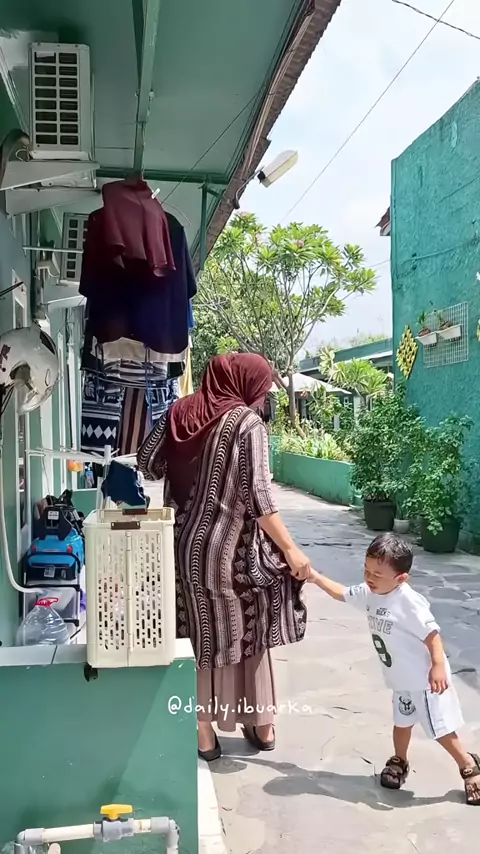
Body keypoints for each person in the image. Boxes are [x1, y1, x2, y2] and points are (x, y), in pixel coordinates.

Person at [137, 353, 311, 761]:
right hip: (233, 552)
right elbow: (260, 498)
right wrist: (290, 549)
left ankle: (203, 733)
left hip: (182, 548)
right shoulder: (247, 423)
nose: (263, 397)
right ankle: (261, 723)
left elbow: (147, 463)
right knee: (253, 623)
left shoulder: (179, 411)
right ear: (244, 383)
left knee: (196, 632)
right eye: (262, 388)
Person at [307, 532, 480, 805]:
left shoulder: (407, 601)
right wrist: (315, 577)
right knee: (402, 723)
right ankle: (400, 760)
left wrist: (437, 665)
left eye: (377, 574)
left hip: (424, 681)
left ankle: (468, 766)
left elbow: (432, 635)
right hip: (401, 680)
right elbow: (342, 593)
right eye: (366, 570)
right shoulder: (370, 593)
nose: (369, 577)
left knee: (439, 728)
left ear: (401, 579)